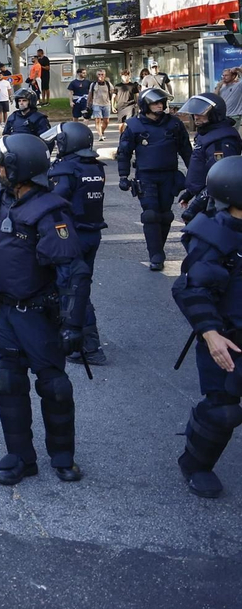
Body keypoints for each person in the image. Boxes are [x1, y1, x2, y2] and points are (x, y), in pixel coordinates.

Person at [0, 134, 90, 485]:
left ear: (22, 169)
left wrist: (74, 325)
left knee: (55, 387)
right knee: (8, 382)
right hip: (4, 312)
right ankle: (20, 458)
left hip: (39, 315)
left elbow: (73, 273)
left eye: (2, 164)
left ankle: (62, 457)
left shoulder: (50, 210)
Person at [169, 155, 242, 497]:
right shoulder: (214, 235)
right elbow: (190, 287)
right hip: (226, 336)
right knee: (223, 411)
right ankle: (195, 464)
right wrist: (211, 334)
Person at [43, 122, 107, 367]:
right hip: (92, 234)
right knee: (80, 286)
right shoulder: (95, 167)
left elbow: (54, 202)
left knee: (73, 290)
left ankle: (89, 347)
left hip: (72, 237)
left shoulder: (66, 169)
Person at [116, 87, 192, 270]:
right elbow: (124, 152)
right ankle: (156, 255)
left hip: (169, 175)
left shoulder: (174, 124)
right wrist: (123, 175)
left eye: (161, 102)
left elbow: (187, 151)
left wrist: (194, 176)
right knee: (150, 214)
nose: (159, 105)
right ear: (145, 105)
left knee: (165, 215)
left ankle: (159, 249)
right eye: (155, 103)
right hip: (146, 176)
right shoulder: (134, 125)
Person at [177, 93, 242, 221]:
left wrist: (196, 206)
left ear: (214, 114)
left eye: (201, 113)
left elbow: (220, 180)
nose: (196, 117)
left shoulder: (221, 141)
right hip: (205, 197)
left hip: (216, 202)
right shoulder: (207, 134)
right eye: (194, 113)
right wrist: (190, 192)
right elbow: (201, 168)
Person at [88, 69, 115, 139]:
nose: (100, 76)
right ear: (97, 75)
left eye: (102, 74)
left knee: (106, 121)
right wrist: (88, 104)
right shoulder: (93, 84)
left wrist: (114, 103)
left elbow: (113, 93)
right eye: (99, 74)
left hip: (106, 104)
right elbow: (90, 94)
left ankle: (102, 131)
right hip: (96, 104)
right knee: (98, 120)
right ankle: (100, 135)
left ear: (105, 75)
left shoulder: (108, 84)